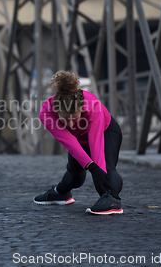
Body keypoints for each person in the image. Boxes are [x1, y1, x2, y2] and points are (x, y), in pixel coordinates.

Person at [34, 71, 123, 215]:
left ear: (81, 109)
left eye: (74, 119)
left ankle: (112, 199)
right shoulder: (46, 113)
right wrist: (90, 166)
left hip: (107, 132)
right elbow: (70, 142)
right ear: (57, 111)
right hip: (77, 138)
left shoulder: (94, 107)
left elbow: (96, 143)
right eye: (65, 120)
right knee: (74, 172)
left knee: (107, 168)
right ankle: (60, 193)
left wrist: (98, 172)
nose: (70, 123)